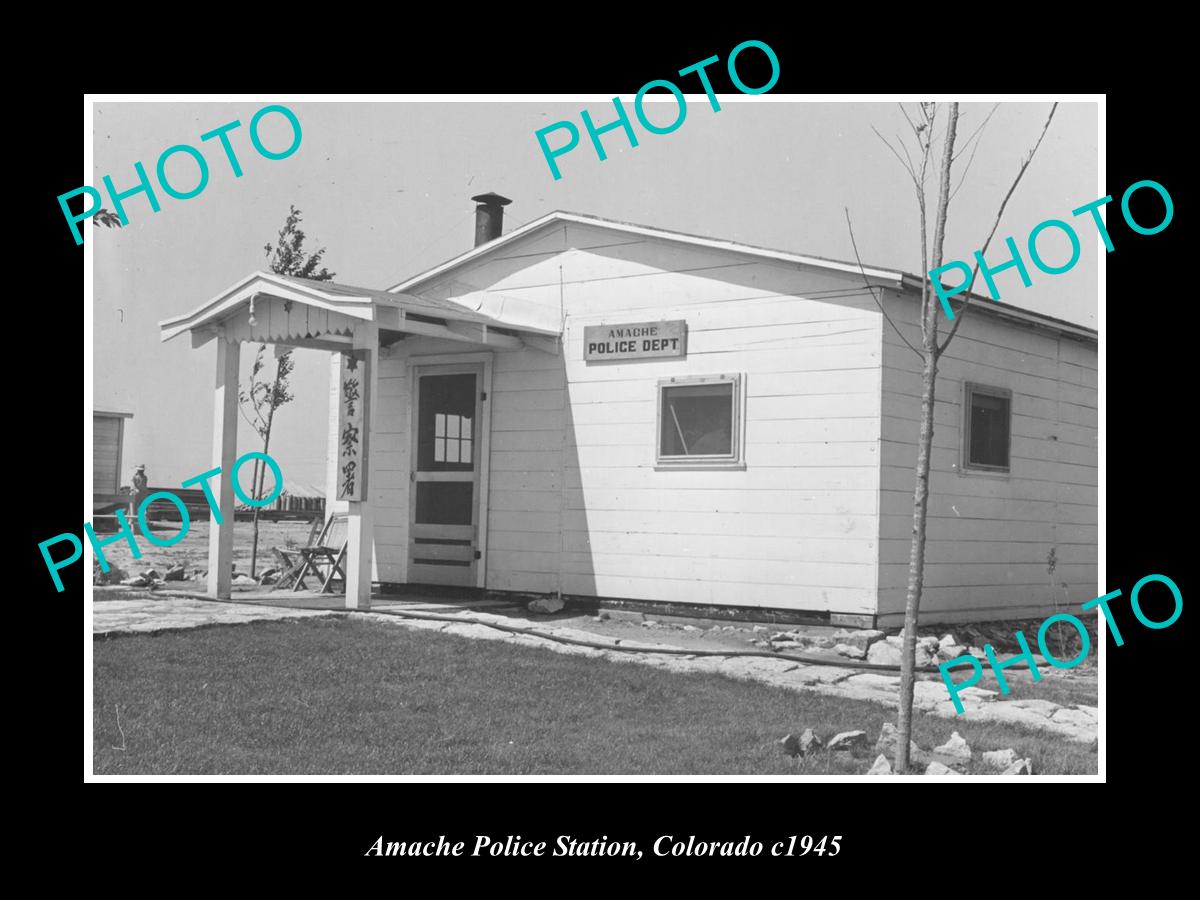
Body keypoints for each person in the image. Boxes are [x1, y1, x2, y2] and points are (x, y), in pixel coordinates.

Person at [129, 464, 149, 532]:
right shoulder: (135, 477)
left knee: (143, 508)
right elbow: (133, 485)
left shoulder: (145, 477)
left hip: (142, 494)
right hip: (135, 494)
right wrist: (135, 490)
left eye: (142, 470)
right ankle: (131, 521)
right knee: (133, 508)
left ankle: (142, 522)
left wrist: (144, 492)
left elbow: (144, 486)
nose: (141, 471)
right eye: (139, 470)